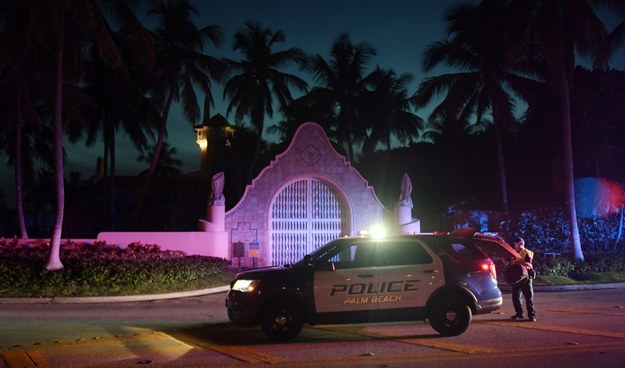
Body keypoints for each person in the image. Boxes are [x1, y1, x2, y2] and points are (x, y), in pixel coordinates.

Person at [509, 236, 536, 322]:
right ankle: (519, 313)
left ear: (520, 244)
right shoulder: (514, 253)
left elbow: (529, 265)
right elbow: (509, 263)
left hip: (526, 278)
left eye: (515, 244)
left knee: (528, 297)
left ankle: (532, 315)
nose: (514, 246)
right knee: (515, 297)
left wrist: (517, 263)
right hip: (516, 278)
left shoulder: (526, 253)